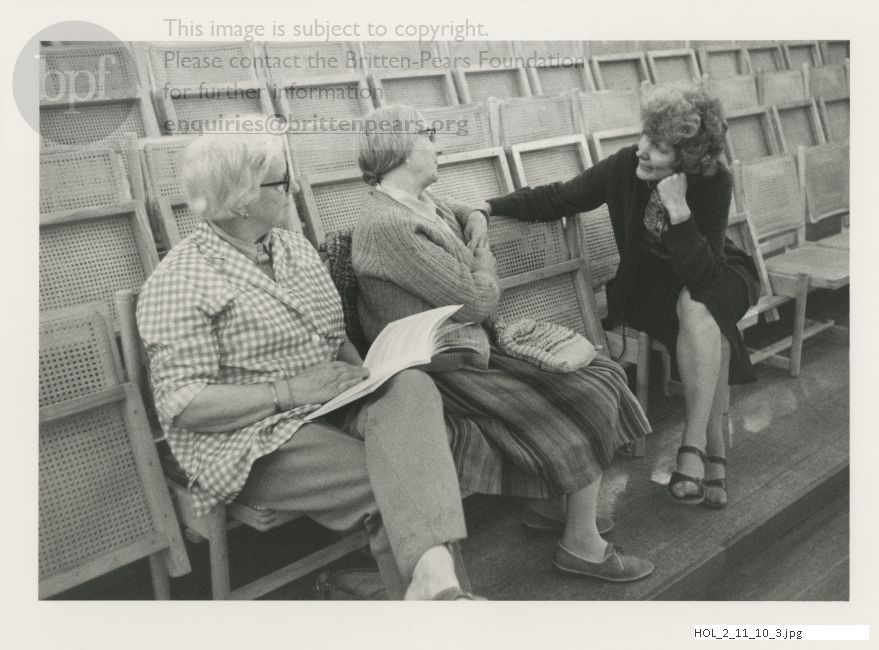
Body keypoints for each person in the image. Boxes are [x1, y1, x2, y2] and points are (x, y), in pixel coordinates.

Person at [136, 120, 480, 600]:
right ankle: (443, 596)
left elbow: (333, 338)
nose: (294, 188)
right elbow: (184, 405)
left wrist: (370, 376)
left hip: (330, 404)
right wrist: (290, 392)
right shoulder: (179, 280)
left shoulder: (292, 247)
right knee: (395, 484)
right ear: (241, 198)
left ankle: (434, 592)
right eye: (282, 180)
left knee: (412, 387)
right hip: (251, 439)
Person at [352, 105, 655, 582]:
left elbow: (454, 212)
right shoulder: (389, 226)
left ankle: (552, 508)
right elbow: (476, 302)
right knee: (591, 387)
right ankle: (581, 545)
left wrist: (475, 216)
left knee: (600, 370)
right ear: (401, 148)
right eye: (428, 134)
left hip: (468, 349)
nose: (438, 143)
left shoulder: (416, 201)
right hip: (438, 368)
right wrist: (485, 262)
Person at [483, 84, 761, 509]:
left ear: (686, 160)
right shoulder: (625, 166)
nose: (643, 150)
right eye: (646, 136)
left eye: (659, 148)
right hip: (653, 287)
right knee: (709, 325)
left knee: (699, 304)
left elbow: (704, 275)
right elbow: (558, 197)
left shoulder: (713, 180)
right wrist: (488, 206)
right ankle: (714, 450)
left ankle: (693, 447)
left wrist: (679, 210)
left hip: (720, 273)